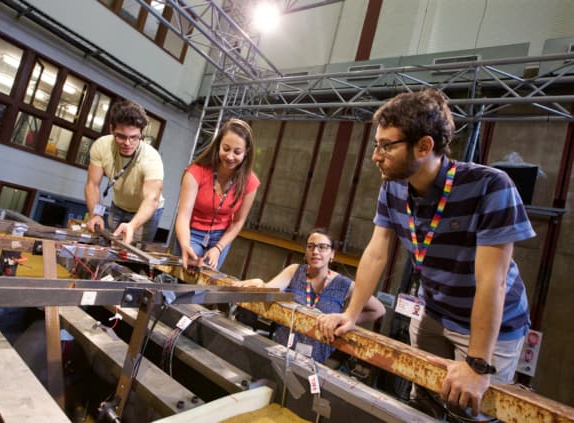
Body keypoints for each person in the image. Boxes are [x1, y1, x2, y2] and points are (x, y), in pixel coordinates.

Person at [317, 89, 535, 416]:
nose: (376, 155)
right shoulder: (393, 186)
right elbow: (377, 253)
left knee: (472, 411)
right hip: (434, 313)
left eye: (387, 146)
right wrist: (350, 314)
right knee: (425, 403)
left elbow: (494, 280)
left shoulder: (491, 186)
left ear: (424, 146)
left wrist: (478, 364)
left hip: (492, 329)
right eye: (377, 144)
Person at [234, 228, 385, 364]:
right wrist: (260, 283)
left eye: (323, 247)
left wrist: (346, 319)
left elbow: (378, 310)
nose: (316, 251)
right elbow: (269, 289)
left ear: (332, 254)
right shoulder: (295, 271)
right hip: (281, 348)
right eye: (311, 246)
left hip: (316, 359)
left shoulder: (344, 285)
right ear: (305, 252)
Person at [175, 118, 259, 270]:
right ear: (218, 145)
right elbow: (183, 215)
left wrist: (218, 248)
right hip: (191, 231)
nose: (230, 156)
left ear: (246, 152)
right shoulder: (195, 172)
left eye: (237, 152)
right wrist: (185, 245)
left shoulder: (250, 182)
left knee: (203, 285)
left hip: (221, 236)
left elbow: (238, 222)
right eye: (226, 149)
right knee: (182, 274)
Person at [85, 100, 164, 245]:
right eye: (121, 136)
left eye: (134, 137)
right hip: (118, 205)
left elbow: (152, 199)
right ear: (111, 129)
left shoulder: (151, 158)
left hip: (145, 210)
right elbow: (92, 184)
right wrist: (95, 214)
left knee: (133, 255)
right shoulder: (101, 146)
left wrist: (132, 225)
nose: (127, 143)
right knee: (109, 248)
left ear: (141, 133)